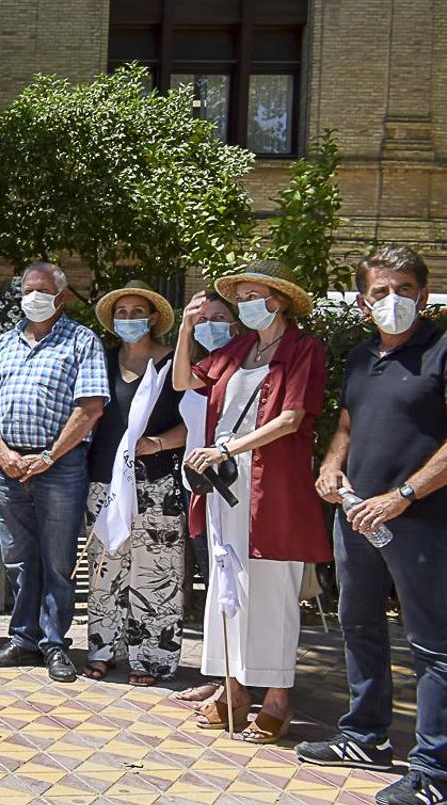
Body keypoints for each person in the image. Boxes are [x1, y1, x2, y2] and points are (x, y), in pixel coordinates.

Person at [297, 245, 447, 805]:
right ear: (363, 302)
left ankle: (434, 771)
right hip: (357, 516)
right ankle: (365, 735)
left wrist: (403, 495)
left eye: (404, 289)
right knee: (357, 625)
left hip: (423, 519)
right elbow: (347, 423)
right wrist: (332, 464)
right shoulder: (362, 358)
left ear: (424, 296)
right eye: (380, 292)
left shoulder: (440, 352)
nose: (393, 300)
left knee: (433, 643)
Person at [173, 258, 330, 744]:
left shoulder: (305, 349)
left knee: (271, 590)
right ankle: (233, 687)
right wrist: (185, 327)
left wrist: (226, 447)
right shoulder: (239, 348)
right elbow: (184, 381)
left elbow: (289, 419)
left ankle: (278, 696)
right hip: (224, 484)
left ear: (278, 300)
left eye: (252, 296)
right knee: (228, 583)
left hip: (271, 485)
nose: (245, 306)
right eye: (239, 298)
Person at [0, 261, 108, 683]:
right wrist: (2, 451)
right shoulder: (4, 344)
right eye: (26, 289)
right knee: (18, 559)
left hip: (59, 466)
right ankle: (22, 638)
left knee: (57, 558)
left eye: (42, 290)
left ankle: (54, 643)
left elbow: (90, 409)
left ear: (61, 297)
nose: (32, 297)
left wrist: (48, 456)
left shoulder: (82, 342)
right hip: (9, 465)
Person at [81, 281, 187, 686]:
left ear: (154, 317)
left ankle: (152, 658)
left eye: (136, 311)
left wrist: (157, 443)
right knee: (105, 570)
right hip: (105, 481)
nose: (129, 319)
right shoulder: (101, 362)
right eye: (121, 313)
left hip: (157, 484)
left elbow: (197, 422)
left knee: (156, 573)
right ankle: (103, 649)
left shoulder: (174, 364)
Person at [169, 290, 242, 708]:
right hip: (196, 488)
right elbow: (180, 382)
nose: (209, 325)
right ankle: (216, 675)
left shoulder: (242, 367)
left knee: (230, 583)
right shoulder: (200, 368)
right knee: (213, 585)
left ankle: (235, 681)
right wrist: (184, 327)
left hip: (229, 489)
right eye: (203, 319)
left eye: (219, 317)